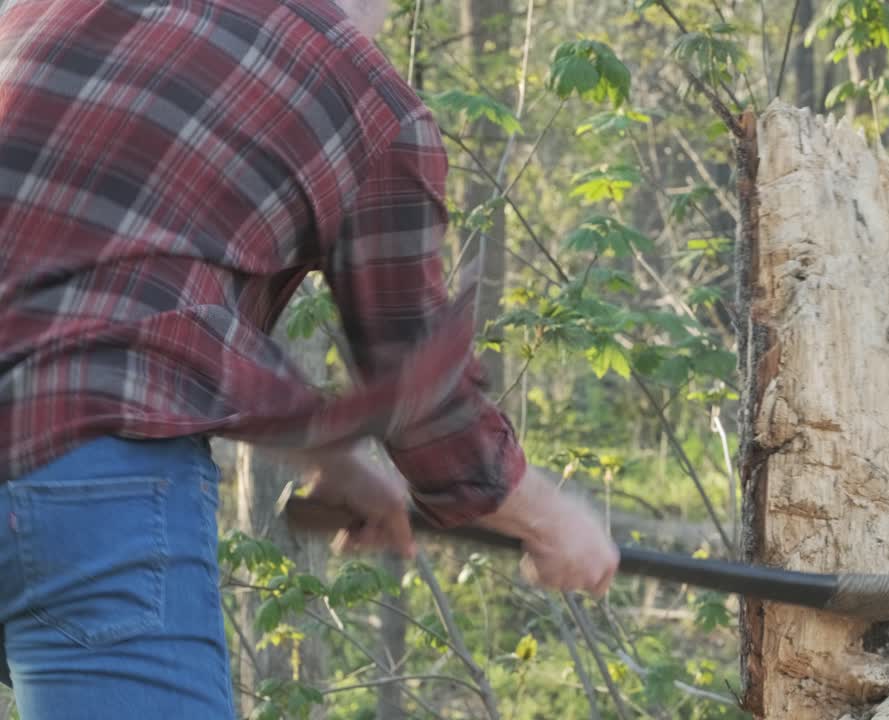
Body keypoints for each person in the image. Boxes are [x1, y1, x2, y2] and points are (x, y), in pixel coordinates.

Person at [0, 0, 620, 717]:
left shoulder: (50, 10)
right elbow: (431, 412)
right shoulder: (367, 100)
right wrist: (552, 522)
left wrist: (334, 462)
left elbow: (110, 294)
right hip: (83, 488)